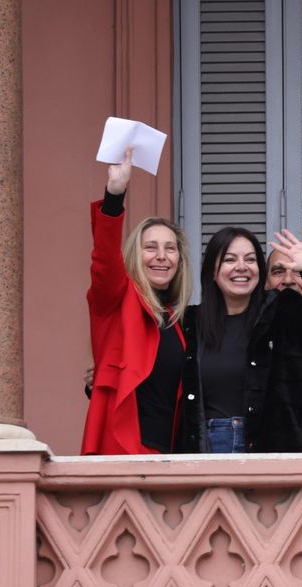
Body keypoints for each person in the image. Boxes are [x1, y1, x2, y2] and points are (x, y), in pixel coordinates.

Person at [176, 227, 302, 453]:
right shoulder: (190, 323)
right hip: (205, 452)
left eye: (250, 259)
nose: (241, 267)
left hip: (274, 451)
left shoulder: (282, 311)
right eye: (229, 259)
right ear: (213, 273)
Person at [82, 147, 192, 455]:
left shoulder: (177, 319)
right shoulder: (117, 299)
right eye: (151, 247)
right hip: (123, 451)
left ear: (180, 261)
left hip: (168, 458)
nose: (161, 256)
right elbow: (104, 259)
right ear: (134, 255)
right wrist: (114, 195)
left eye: (170, 249)